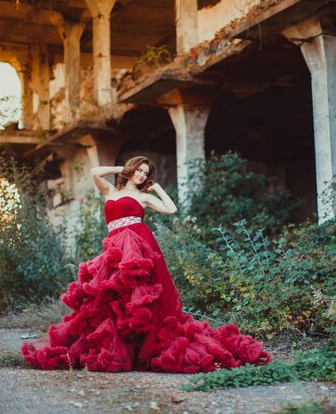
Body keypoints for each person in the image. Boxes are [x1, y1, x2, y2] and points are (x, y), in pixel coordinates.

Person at [21, 156, 271, 373]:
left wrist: (158, 188)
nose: (141, 175)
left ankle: (143, 349)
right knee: (111, 297)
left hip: (140, 247)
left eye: (145, 173)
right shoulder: (110, 191)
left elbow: (171, 209)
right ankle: (119, 345)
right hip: (115, 249)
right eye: (139, 171)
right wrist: (125, 169)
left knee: (143, 298)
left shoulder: (143, 197)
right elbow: (94, 172)